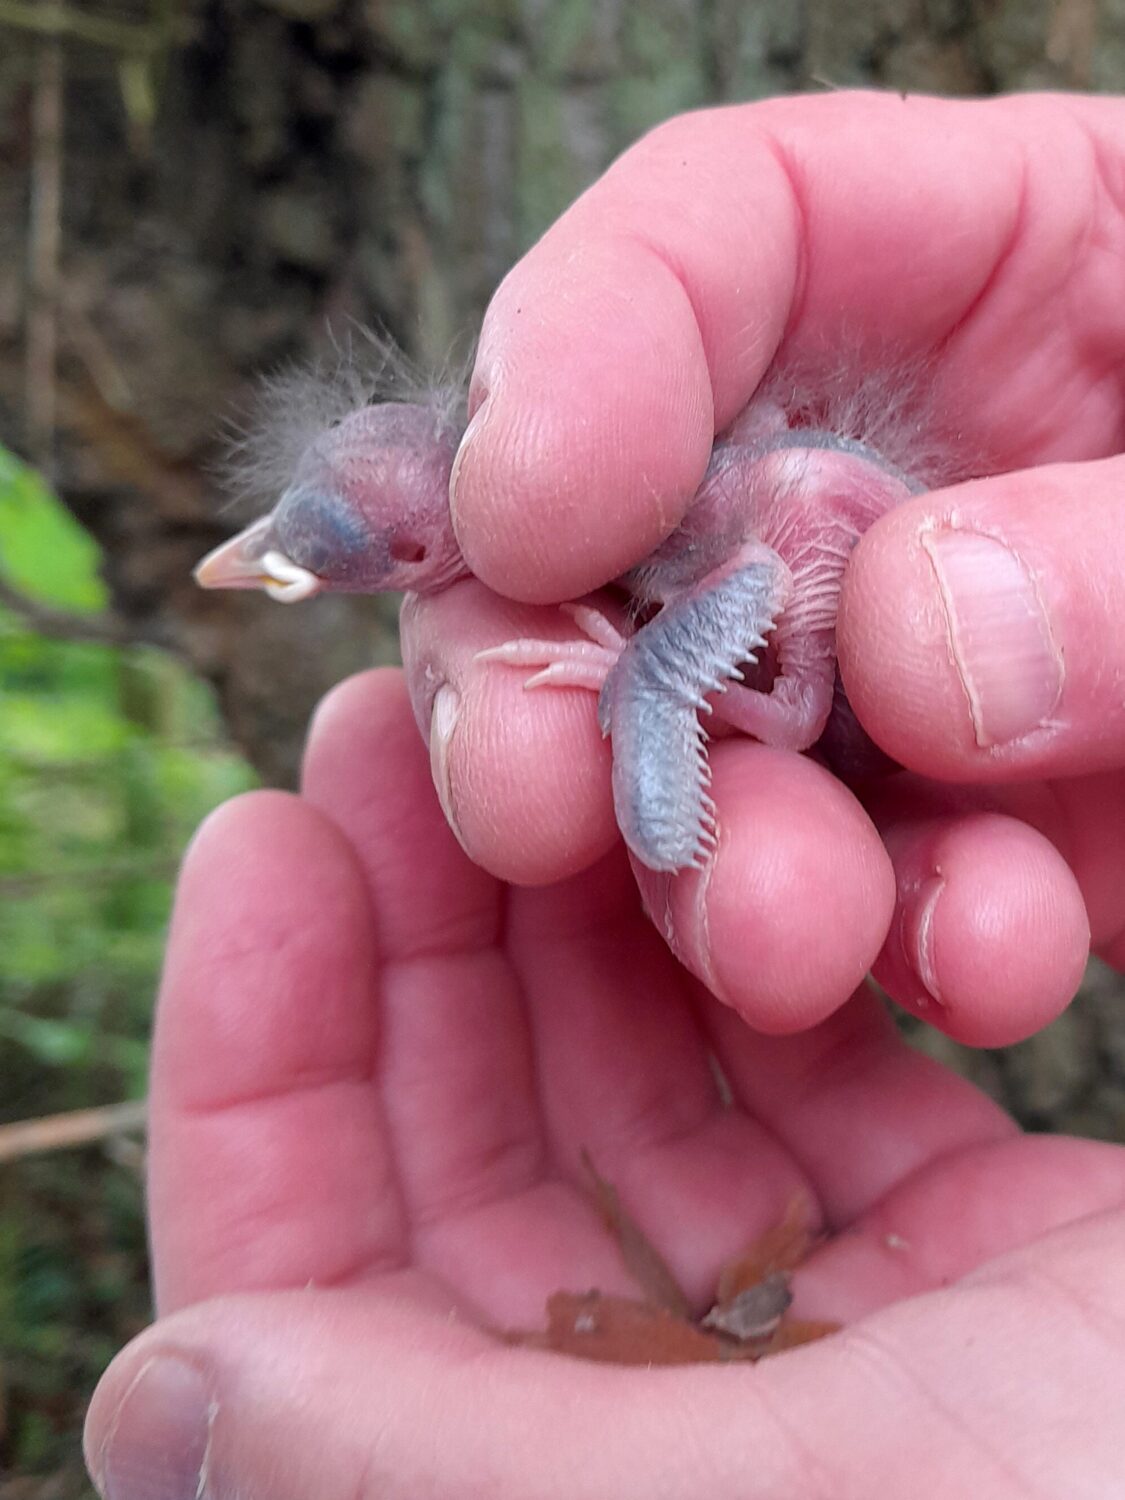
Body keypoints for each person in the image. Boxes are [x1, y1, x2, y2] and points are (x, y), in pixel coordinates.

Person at [84, 92, 1125, 1499]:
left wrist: (652, 682)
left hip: (803, 528)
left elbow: (762, 662)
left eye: (370, 561)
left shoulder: (582, 493)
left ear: (412, 548)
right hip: (779, 533)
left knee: (689, 738)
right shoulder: (566, 512)